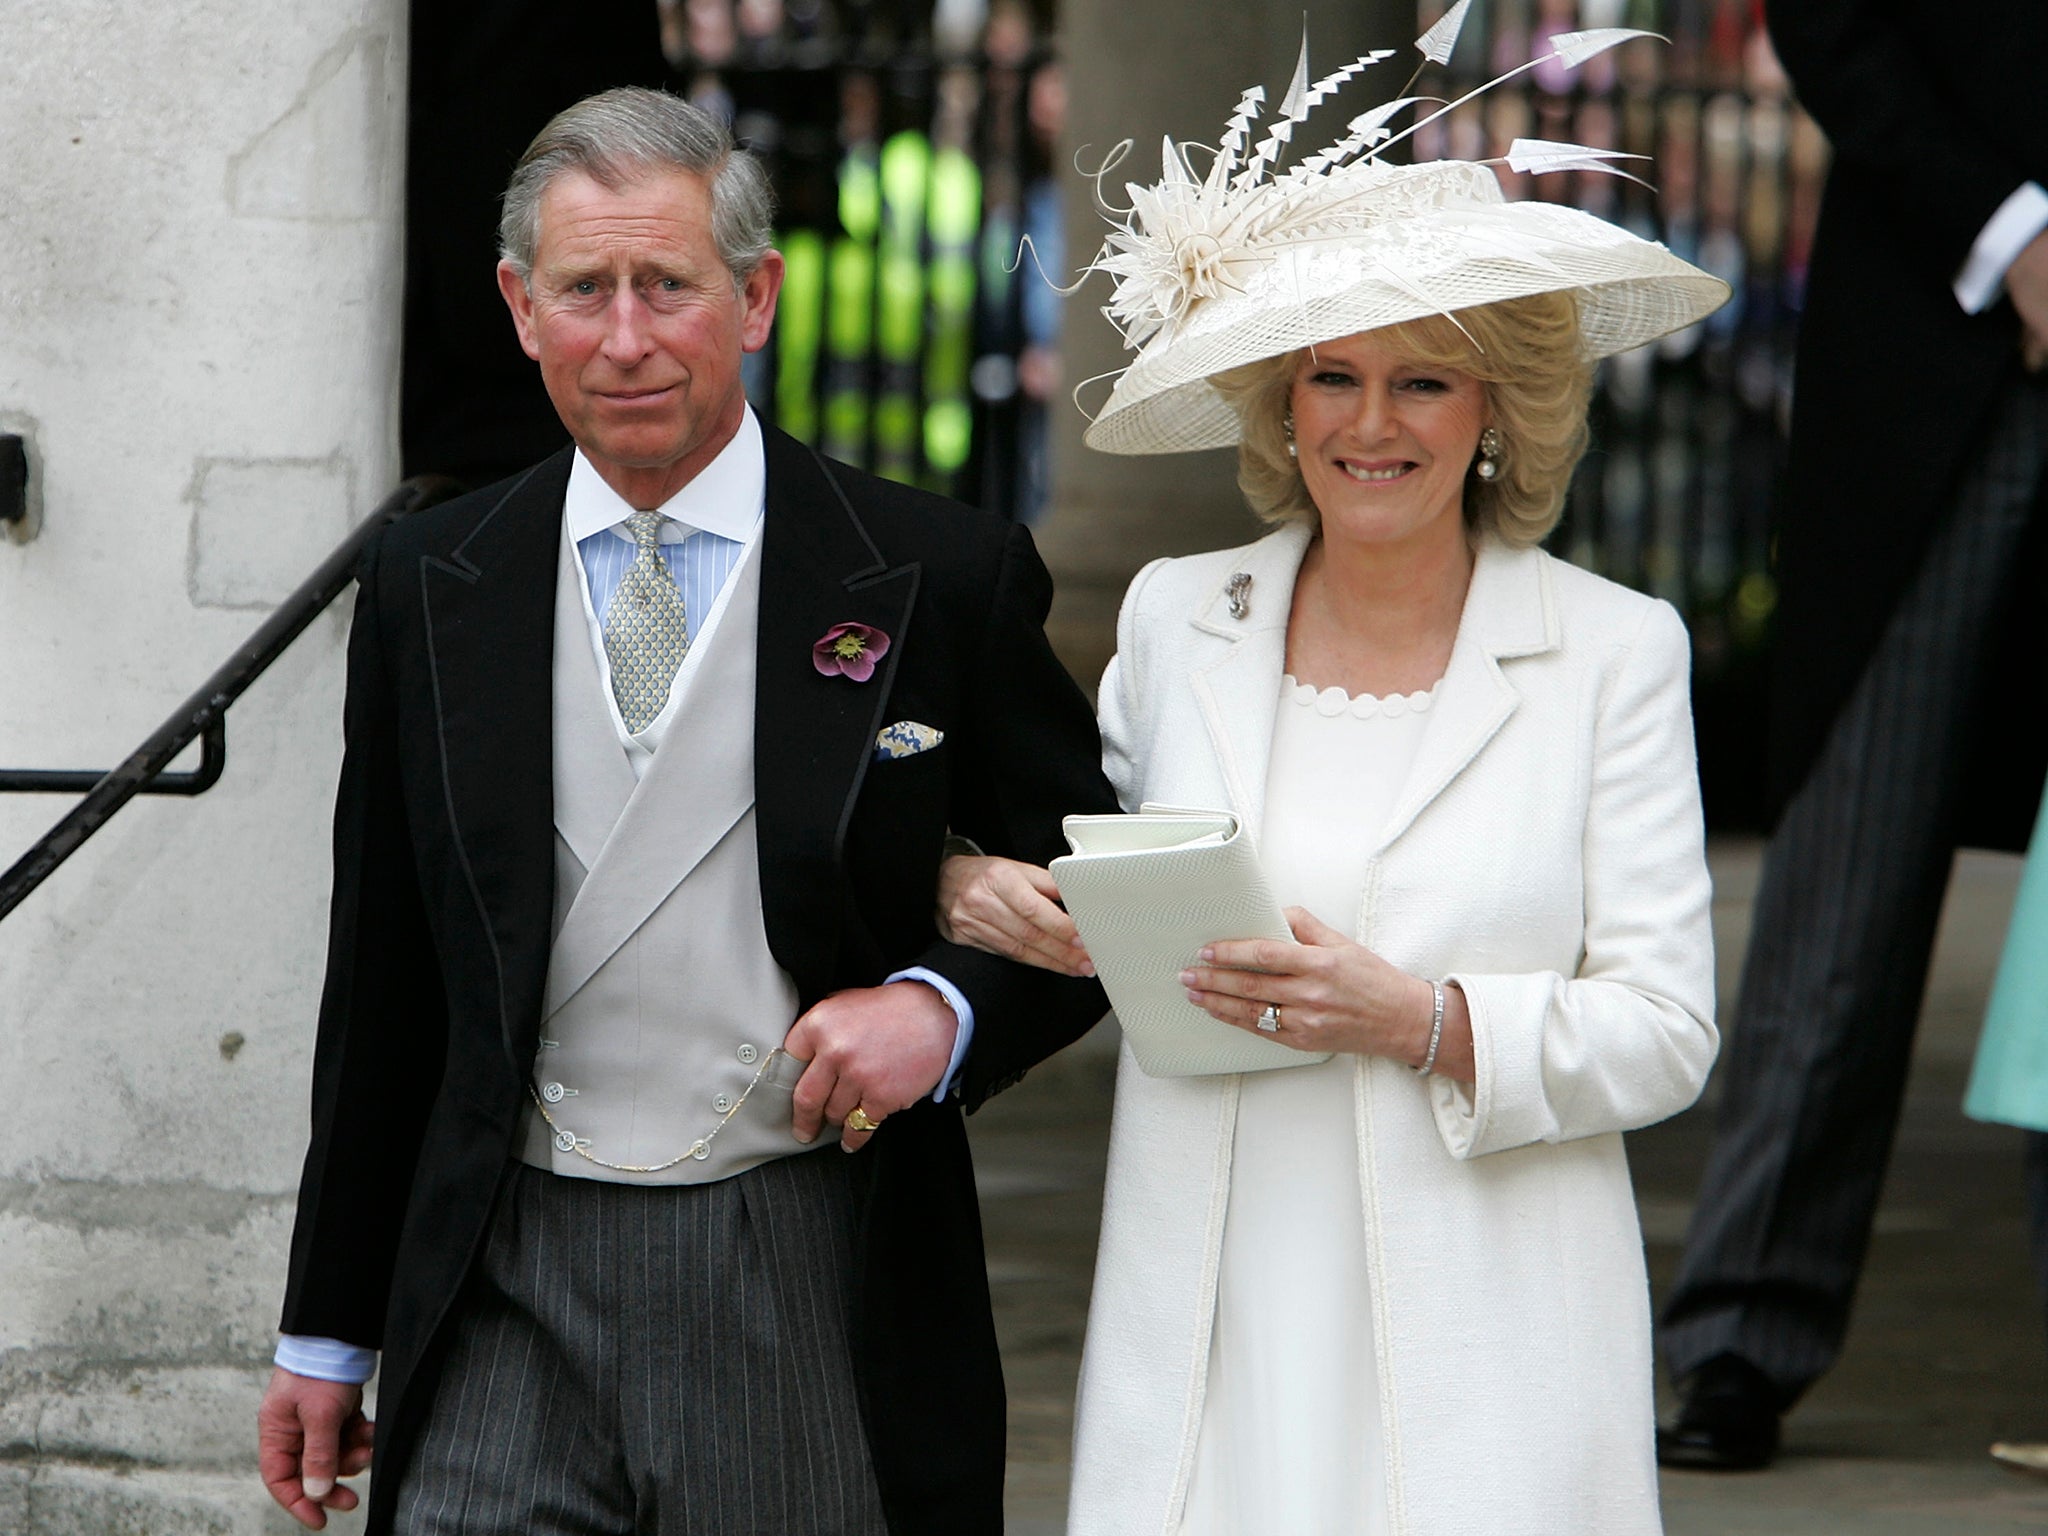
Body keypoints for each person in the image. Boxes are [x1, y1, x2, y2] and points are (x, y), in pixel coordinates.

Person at [254, 87, 1115, 1536]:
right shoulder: (429, 580)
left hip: (797, 1252)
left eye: (670, 285)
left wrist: (943, 1012)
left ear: (757, 295)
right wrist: (327, 1330)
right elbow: (386, 972)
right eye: (586, 290)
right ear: (523, 310)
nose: (630, 337)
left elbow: (1097, 886)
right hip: (498, 1270)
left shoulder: (935, 573)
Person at [935, 32, 1728, 1535]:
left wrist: (1424, 1022)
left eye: (1425, 382)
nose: (1373, 426)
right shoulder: (1180, 618)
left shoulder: (1616, 653)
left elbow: (1668, 1031)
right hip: (1218, 1300)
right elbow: (1093, 885)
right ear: (1280, 405)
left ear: (1498, 412)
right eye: (1334, 379)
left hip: (1492, 1323)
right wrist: (982, 891)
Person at [1656, 0, 2048, 1470]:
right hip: (1949, 342)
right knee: (1852, 858)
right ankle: (1744, 1334)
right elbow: (1836, 19)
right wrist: (2016, 237)